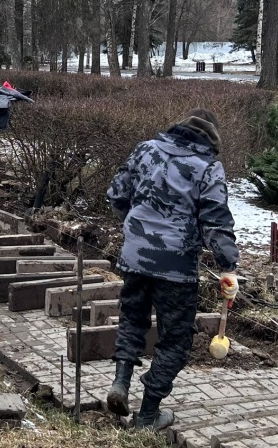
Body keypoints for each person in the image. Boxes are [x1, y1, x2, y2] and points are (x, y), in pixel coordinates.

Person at [104, 108, 240, 431]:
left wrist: (136, 230)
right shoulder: (207, 168)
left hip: (135, 257)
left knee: (132, 319)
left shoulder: (146, 149)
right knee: (177, 341)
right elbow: (216, 222)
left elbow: (116, 194)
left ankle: (121, 382)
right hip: (176, 269)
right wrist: (228, 266)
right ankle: (148, 415)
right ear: (211, 141)